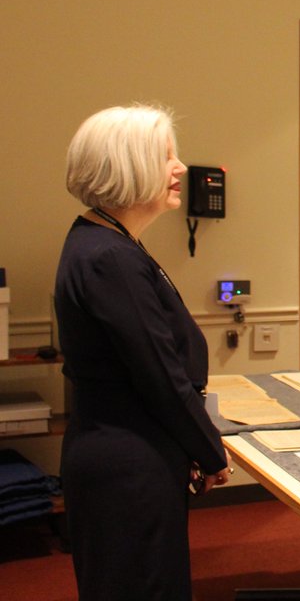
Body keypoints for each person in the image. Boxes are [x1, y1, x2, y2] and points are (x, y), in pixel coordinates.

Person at [55, 104, 231, 600]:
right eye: (165, 157)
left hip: (129, 452)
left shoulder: (106, 242)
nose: (180, 168)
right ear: (125, 166)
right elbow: (159, 372)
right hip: (127, 465)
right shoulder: (110, 256)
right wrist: (208, 449)